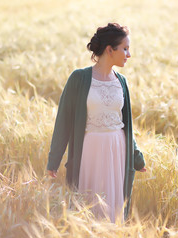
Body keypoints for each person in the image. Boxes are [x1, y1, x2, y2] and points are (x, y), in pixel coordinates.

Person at [46, 23, 146, 223]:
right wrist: (53, 160)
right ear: (110, 50)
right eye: (125, 48)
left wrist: (136, 157)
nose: (129, 54)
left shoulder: (122, 81)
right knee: (88, 204)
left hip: (117, 150)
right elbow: (63, 121)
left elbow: (126, 124)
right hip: (89, 150)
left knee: (114, 207)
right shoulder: (79, 78)